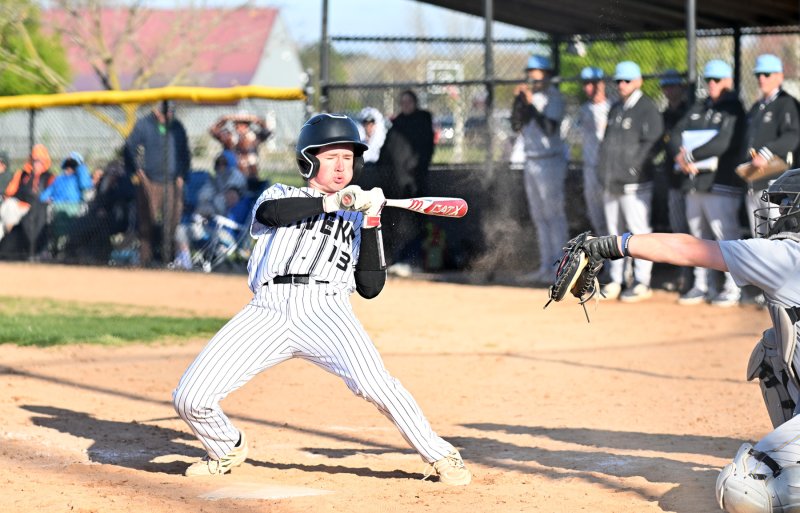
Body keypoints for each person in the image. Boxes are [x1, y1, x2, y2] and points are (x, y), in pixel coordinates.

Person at [172, 113, 471, 485]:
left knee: (377, 385)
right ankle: (225, 447)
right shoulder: (281, 194)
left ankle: (441, 455)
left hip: (326, 310)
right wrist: (332, 203)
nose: (341, 166)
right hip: (268, 309)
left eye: (348, 158)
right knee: (189, 397)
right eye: (331, 157)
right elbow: (271, 214)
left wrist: (372, 219)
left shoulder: (357, 214)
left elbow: (370, 287)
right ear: (309, 160)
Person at [569, 168, 800, 513]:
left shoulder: (785, 256)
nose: (776, 213)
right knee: (772, 348)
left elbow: (688, 248)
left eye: (785, 205)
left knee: (741, 489)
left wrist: (614, 245)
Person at [668, 60, 746, 307]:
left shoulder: (734, 108)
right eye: (709, 80)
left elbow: (724, 142)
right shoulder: (699, 107)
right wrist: (680, 155)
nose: (712, 84)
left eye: (717, 80)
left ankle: (732, 288)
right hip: (694, 180)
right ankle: (702, 285)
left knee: (726, 236)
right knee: (697, 236)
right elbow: (677, 132)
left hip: (722, 182)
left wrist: (690, 155)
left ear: (728, 82)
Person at [596, 61, 664, 301]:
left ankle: (641, 281)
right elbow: (605, 143)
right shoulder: (616, 108)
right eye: (618, 81)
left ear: (638, 81)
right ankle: (616, 278)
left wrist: (635, 167)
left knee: (638, 232)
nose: (622, 85)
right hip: (611, 181)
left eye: (626, 80)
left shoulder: (647, 107)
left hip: (635, 182)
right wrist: (602, 170)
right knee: (614, 232)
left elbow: (653, 142)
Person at [511, 55, 568, 284]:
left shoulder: (554, 97)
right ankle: (546, 265)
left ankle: (561, 266)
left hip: (551, 160)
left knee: (554, 215)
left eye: (538, 72)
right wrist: (519, 103)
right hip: (531, 159)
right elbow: (516, 125)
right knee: (539, 216)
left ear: (546, 75)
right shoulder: (529, 97)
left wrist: (531, 102)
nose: (533, 76)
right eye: (530, 72)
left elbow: (549, 129)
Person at [123, 100, 191, 267]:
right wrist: (138, 171)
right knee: (147, 222)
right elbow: (129, 148)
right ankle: (145, 260)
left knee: (172, 221)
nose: (168, 116)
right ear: (156, 112)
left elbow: (185, 153)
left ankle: (168, 260)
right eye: (164, 112)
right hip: (150, 181)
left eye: (170, 113)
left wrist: (182, 175)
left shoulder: (177, 127)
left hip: (172, 182)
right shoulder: (144, 124)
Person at [377, 90, 435, 274]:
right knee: (395, 223)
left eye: (409, 101)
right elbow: (386, 151)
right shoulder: (397, 123)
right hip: (394, 183)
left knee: (414, 223)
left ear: (415, 102)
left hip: (413, 183)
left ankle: (411, 260)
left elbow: (426, 150)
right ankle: (397, 259)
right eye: (403, 102)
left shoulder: (423, 121)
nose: (406, 105)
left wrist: (414, 169)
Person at [658, 69, 692, 294]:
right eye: (666, 86)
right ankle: (683, 276)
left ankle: (695, 280)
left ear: (681, 87)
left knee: (696, 232)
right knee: (679, 229)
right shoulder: (663, 115)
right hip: (673, 180)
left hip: (693, 178)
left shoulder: (690, 111)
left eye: (673, 86)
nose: (670, 90)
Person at [575, 66, 611, 236]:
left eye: (593, 83)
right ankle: (608, 261)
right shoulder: (583, 109)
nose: (589, 87)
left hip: (608, 167)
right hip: (589, 167)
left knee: (612, 217)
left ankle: (620, 261)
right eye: (586, 83)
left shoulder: (612, 107)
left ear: (602, 84)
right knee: (596, 217)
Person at [39, 152, 94, 256]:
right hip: (56, 207)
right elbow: (43, 196)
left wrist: (80, 166)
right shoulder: (59, 179)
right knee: (48, 215)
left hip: (74, 207)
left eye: (72, 165)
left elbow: (86, 185)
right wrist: (47, 199)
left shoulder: (79, 178)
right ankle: (51, 249)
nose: (69, 168)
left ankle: (67, 249)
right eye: (67, 165)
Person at [0, 144, 54, 245]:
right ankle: (12, 237)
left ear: (44, 162)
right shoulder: (23, 175)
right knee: (8, 205)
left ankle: (16, 240)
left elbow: (54, 194)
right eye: (34, 160)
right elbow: (10, 192)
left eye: (39, 161)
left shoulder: (48, 177)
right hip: (20, 207)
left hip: (38, 210)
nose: (36, 164)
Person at [209, 111, 271, 188]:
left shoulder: (254, 138)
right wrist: (225, 119)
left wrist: (256, 120)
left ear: (248, 125)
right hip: (232, 179)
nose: (241, 127)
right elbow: (213, 130)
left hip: (251, 177)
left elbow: (267, 131)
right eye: (238, 124)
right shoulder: (230, 138)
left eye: (244, 124)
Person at [355, 106, 387, 190]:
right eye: (366, 124)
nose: (369, 127)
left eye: (371, 124)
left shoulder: (383, 143)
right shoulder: (357, 144)